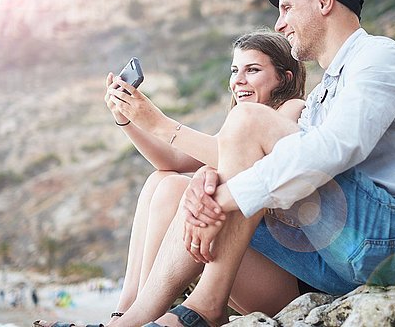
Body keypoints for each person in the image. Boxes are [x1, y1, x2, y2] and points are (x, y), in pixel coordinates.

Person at [105, 0, 395, 327]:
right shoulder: (322, 97)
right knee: (187, 185)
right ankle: (129, 321)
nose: (279, 23)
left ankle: (203, 308)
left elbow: (338, 148)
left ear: (325, 2)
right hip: (344, 260)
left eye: (287, 9)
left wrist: (221, 197)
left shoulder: (379, 57)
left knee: (247, 124)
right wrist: (210, 182)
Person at [33, 30, 307, 327]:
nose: (238, 80)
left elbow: (259, 161)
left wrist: (160, 122)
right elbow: (173, 161)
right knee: (160, 180)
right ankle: (125, 314)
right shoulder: (240, 127)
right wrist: (126, 118)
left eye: (252, 70)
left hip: (287, 282)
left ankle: (134, 320)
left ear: (285, 78)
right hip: (247, 267)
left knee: (176, 188)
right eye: (234, 70)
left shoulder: (292, 111)